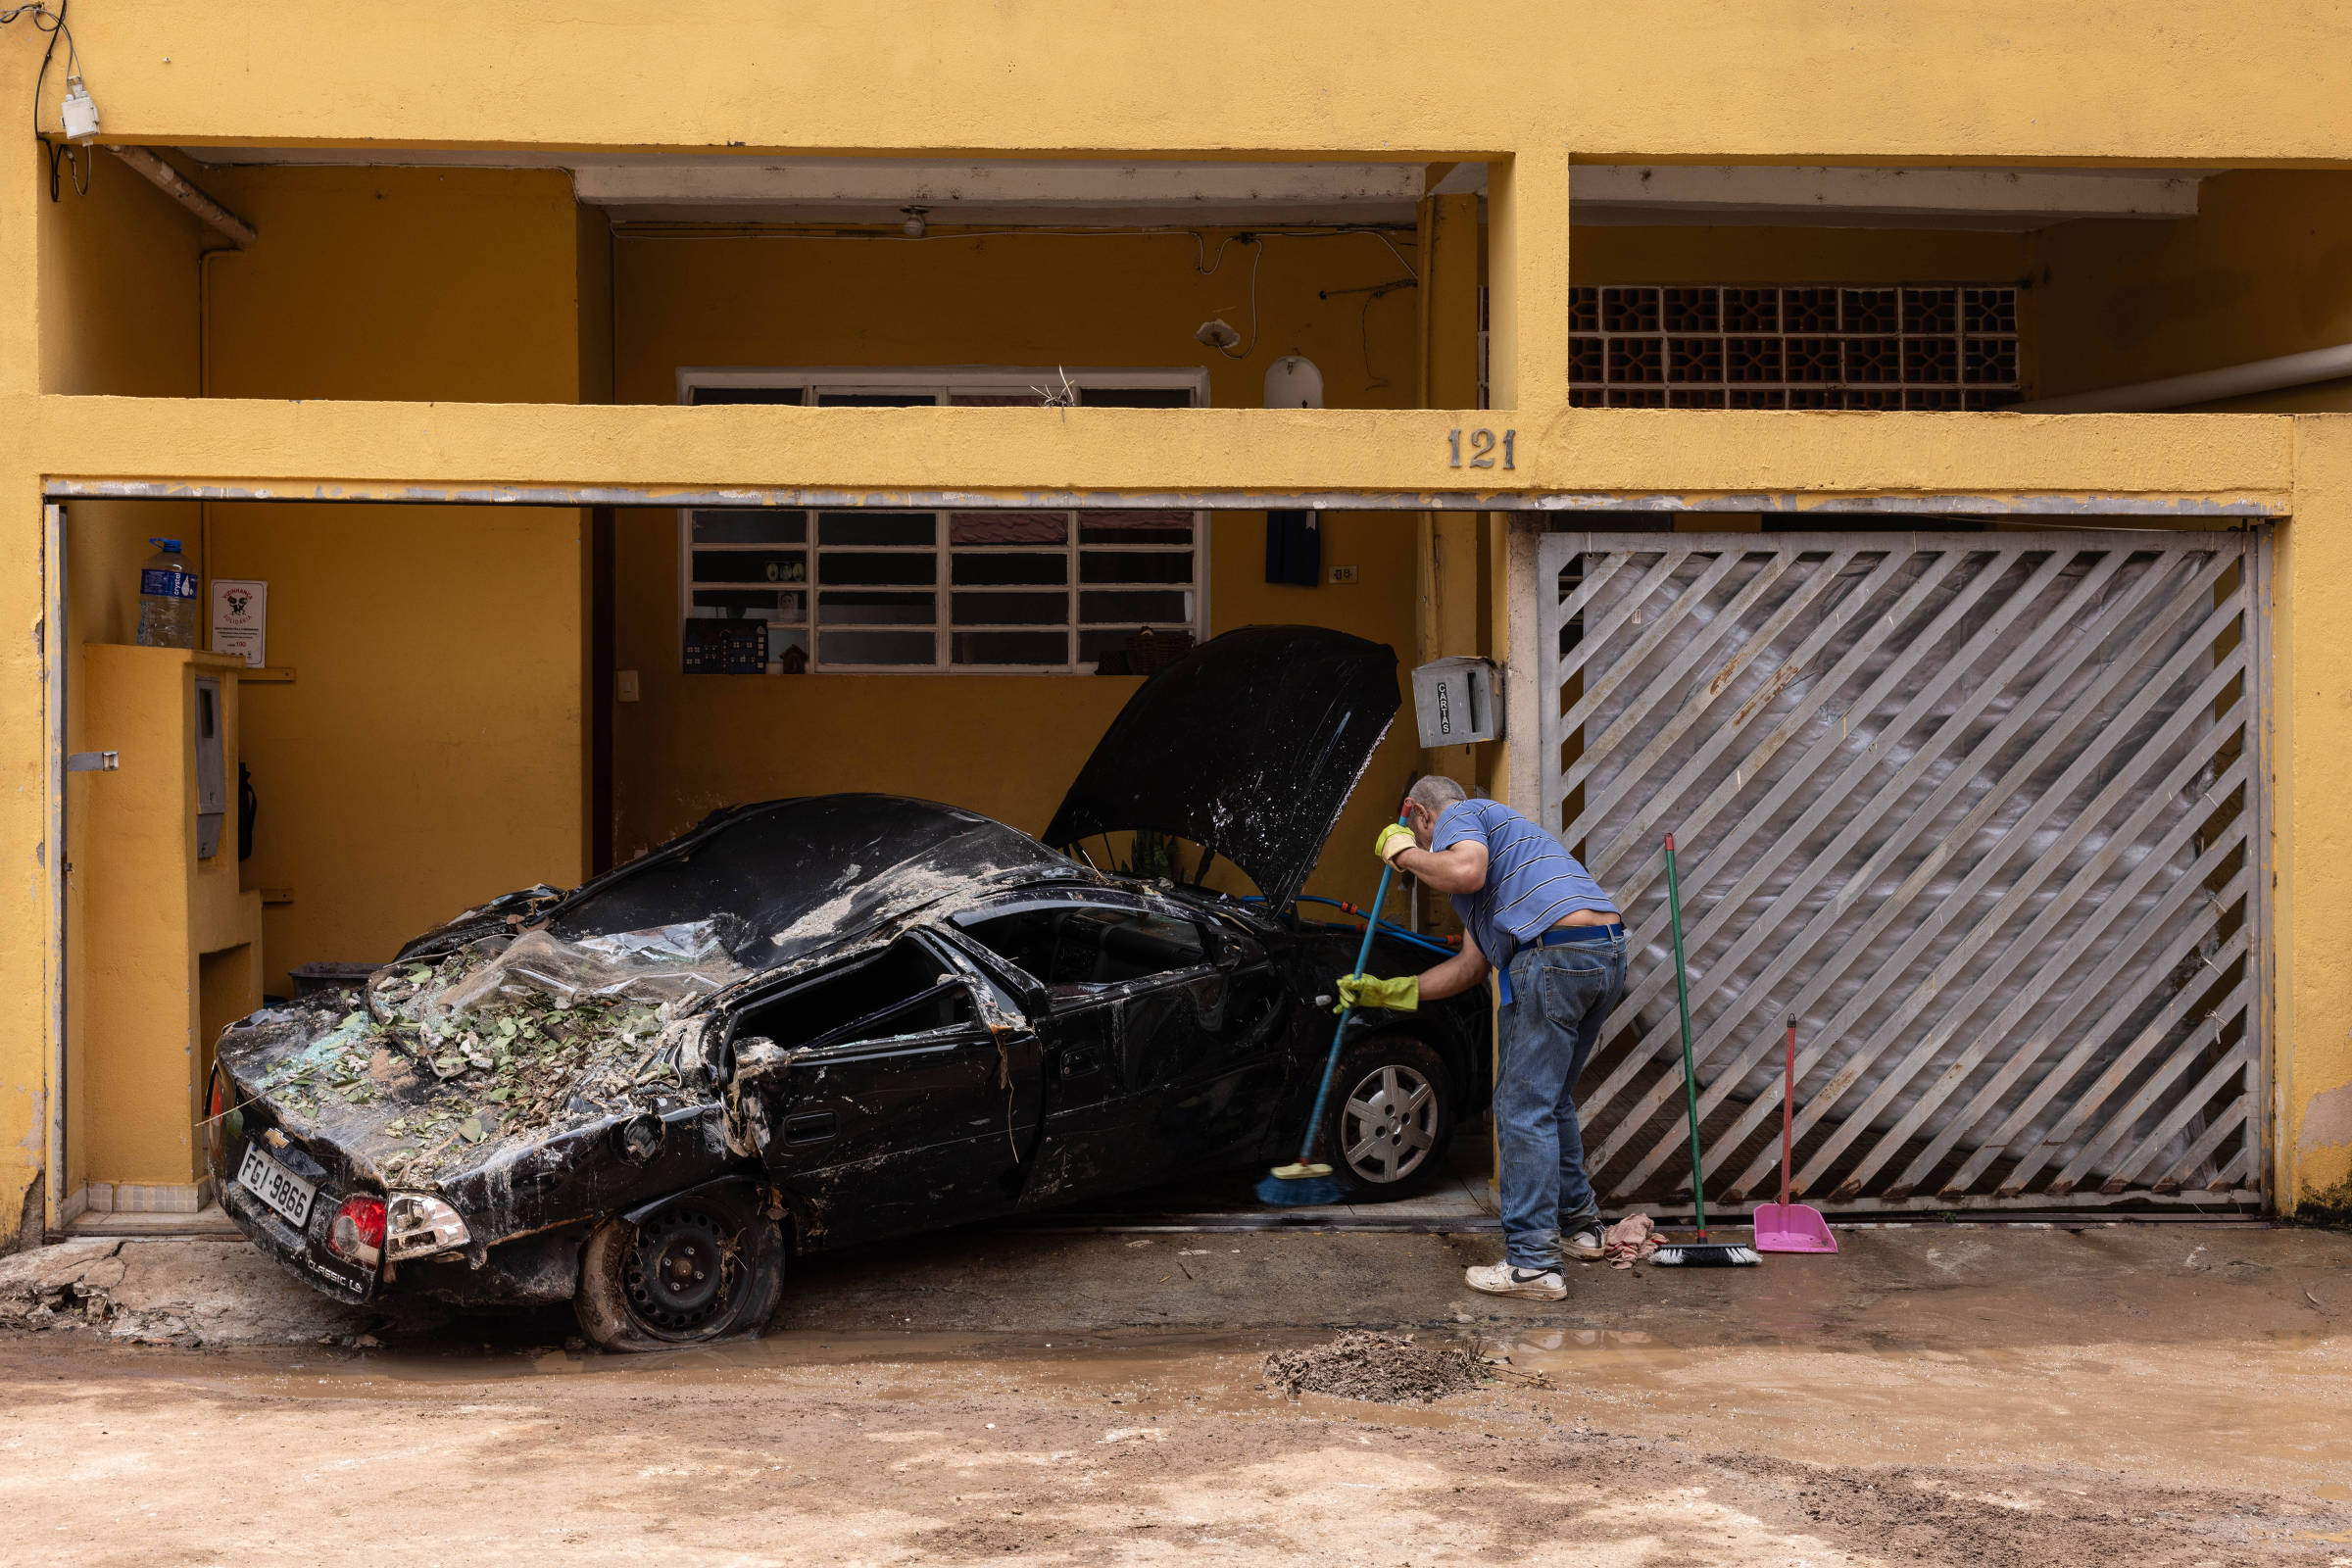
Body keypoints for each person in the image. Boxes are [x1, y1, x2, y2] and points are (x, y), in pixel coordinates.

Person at [1337, 775, 1625, 1300]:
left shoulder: (1458, 816)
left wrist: (1404, 854)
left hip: (1553, 956)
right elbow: (1471, 967)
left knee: (1520, 1107)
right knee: (1549, 1099)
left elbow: (1463, 871)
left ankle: (1534, 1264)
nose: (1431, 848)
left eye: (1418, 833)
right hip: (1601, 952)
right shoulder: (1506, 853)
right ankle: (1581, 1228)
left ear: (1417, 813)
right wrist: (1388, 993)